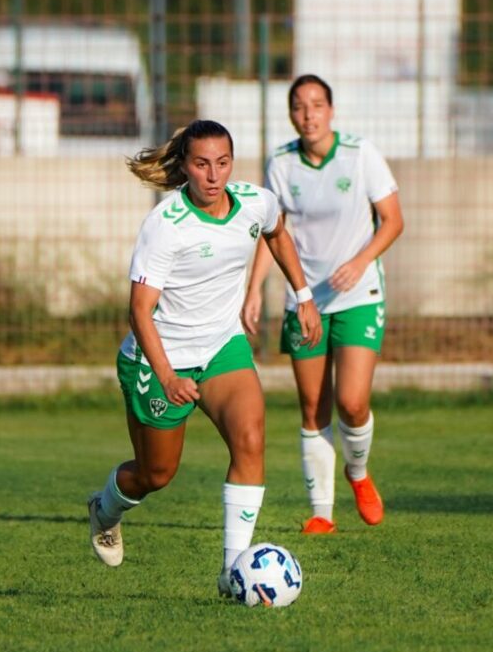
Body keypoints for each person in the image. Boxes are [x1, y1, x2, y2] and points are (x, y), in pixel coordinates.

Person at [87, 119, 322, 596]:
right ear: (185, 167)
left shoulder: (254, 202)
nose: (213, 175)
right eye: (201, 164)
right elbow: (139, 310)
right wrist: (167, 375)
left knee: (251, 440)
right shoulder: (165, 227)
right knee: (156, 474)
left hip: (221, 346)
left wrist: (304, 293)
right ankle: (105, 509)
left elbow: (276, 233)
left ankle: (232, 571)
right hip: (159, 358)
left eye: (222, 162)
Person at [241, 74, 405, 535]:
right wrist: (254, 289)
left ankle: (358, 473)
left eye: (317, 104)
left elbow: (393, 221)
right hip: (305, 301)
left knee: (353, 403)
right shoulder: (280, 163)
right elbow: (274, 233)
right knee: (314, 408)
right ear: (291, 114)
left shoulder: (360, 154)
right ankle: (322, 513)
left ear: (331, 110)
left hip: (358, 294)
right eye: (299, 106)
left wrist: (359, 261)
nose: (308, 114)